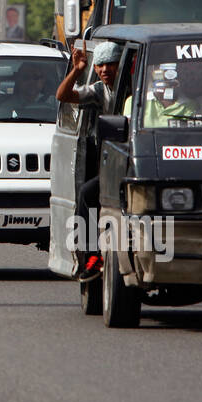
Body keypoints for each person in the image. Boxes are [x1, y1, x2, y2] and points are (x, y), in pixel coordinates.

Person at [56, 42, 122, 281]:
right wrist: (77, 69)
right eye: (101, 65)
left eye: (111, 64)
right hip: (112, 163)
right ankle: (92, 256)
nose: (105, 70)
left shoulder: (138, 87)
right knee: (87, 193)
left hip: (138, 159)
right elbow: (63, 95)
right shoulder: (99, 90)